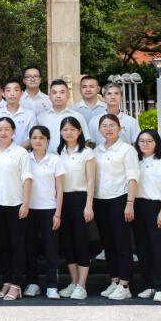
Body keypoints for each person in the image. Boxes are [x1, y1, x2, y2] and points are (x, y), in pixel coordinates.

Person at [93, 113, 140, 300]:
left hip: (120, 200)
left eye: (112, 125)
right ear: (99, 130)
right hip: (100, 200)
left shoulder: (127, 150)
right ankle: (114, 280)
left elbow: (133, 177)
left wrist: (130, 203)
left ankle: (125, 284)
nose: (108, 129)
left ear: (120, 129)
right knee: (108, 244)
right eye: (104, 126)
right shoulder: (96, 151)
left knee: (122, 244)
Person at [0, 116, 33, 301]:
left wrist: (25, 203)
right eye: (0, 129)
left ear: (13, 131)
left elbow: (27, 178)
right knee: (3, 246)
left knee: (17, 245)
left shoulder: (21, 152)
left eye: (7, 129)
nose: (3, 132)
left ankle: (16, 284)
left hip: (16, 204)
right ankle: (6, 281)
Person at [56, 116, 96, 300]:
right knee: (67, 244)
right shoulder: (58, 153)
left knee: (81, 242)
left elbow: (91, 180)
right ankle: (73, 282)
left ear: (79, 132)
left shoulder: (87, 153)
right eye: (65, 129)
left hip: (80, 199)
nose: (69, 133)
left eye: (72, 129)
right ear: (60, 132)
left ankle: (82, 285)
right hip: (62, 200)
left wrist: (89, 205)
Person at [23, 125, 65, 300]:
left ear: (48, 140)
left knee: (51, 249)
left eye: (41, 137)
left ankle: (52, 285)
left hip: (49, 209)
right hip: (28, 209)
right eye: (34, 138)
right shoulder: (25, 158)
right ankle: (32, 283)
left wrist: (58, 213)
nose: (38, 141)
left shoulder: (55, 160)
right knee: (30, 248)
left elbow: (60, 189)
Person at [134, 129, 161, 303]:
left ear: (156, 143)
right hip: (137, 206)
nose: (145, 144)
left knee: (158, 249)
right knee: (142, 248)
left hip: (156, 206)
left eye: (149, 141)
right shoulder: (135, 161)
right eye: (142, 141)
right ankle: (149, 285)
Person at [37, 80, 89, 153]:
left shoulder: (78, 116)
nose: (58, 96)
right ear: (49, 96)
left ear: (68, 95)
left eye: (62, 92)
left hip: (71, 158)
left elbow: (85, 140)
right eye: (54, 92)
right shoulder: (41, 118)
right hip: (47, 158)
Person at [90, 83, 140, 148]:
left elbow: (136, 144)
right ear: (103, 98)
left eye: (116, 93)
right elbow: (91, 145)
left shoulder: (131, 121)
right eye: (109, 94)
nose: (113, 97)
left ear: (121, 97)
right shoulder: (94, 121)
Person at [0, 80, 37, 148]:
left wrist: (17, 151)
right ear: (3, 93)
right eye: (8, 90)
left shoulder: (30, 114)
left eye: (16, 90)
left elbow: (32, 137)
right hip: (1, 153)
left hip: (24, 153)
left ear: (22, 93)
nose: (12, 94)